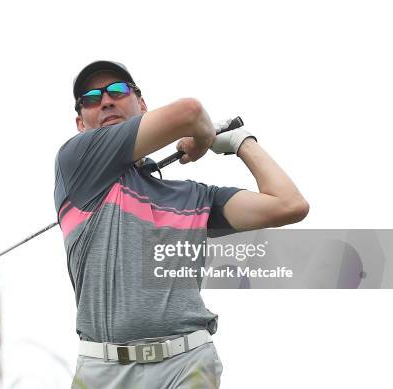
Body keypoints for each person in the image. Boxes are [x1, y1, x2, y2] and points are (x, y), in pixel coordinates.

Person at [53, 60, 309, 389]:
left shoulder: (193, 197)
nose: (105, 101)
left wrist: (241, 141)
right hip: (103, 369)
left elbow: (289, 205)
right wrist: (202, 141)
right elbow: (189, 113)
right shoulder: (76, 161)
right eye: (91, 98)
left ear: (141, 104)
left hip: (186, 363)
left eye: (117, 91)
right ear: (80, 123)